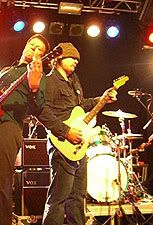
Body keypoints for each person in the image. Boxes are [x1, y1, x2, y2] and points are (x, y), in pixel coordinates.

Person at [0, 34, 50, 225]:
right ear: (26, 45)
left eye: (40, 50)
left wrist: (35, 86)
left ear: (43, 57)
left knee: (1, 186)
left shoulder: (39, 76)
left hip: (8, 127)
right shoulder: (6, 70)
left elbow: (38, 108)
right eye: (33, 45)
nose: (35, 50)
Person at [38, 42, 117, 225]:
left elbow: (80, 108)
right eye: (71, 58)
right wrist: (66, 132)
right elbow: (42, 111)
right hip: (62, 143)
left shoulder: (74, 81)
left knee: (78, 197)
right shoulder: (49, 81)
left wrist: (101, 99)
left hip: (79, 145)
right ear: (58, 59)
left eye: (77, 59)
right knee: (58, 198)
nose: (75, 61)